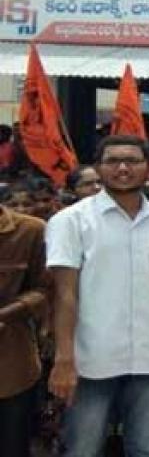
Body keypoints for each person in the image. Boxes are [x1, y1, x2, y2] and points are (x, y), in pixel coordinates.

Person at [45, 135, 149, 457]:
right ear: (98, 167)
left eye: (133, 161)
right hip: (91, 358)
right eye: (112, 161)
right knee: (83, 448)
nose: (122, 168)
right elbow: (65, 293)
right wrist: (64, 359)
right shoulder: (70, 221)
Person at [0, 193, 50, 457]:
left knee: (13, 446)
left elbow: (44, 289)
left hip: (11, 366)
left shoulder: (29, 231)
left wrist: (8, 313)